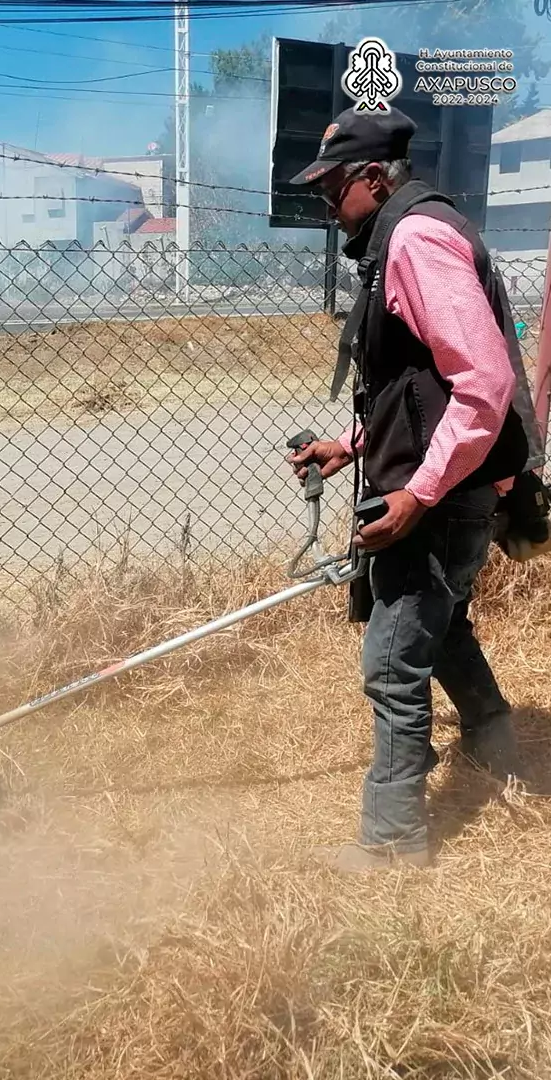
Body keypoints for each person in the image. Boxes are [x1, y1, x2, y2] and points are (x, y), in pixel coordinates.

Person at [285, 106, 535, 874]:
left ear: (371, 177)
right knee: (444, 622)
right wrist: (352, 445)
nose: (329, 206)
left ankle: (393, 845)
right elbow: (419, 387)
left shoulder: (416, 238)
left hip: (443, 496)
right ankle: (496, 739)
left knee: (393, 663)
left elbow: (483, 381)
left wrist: (419, 494)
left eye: (332, 190)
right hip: (451, 483)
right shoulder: (401, 236)